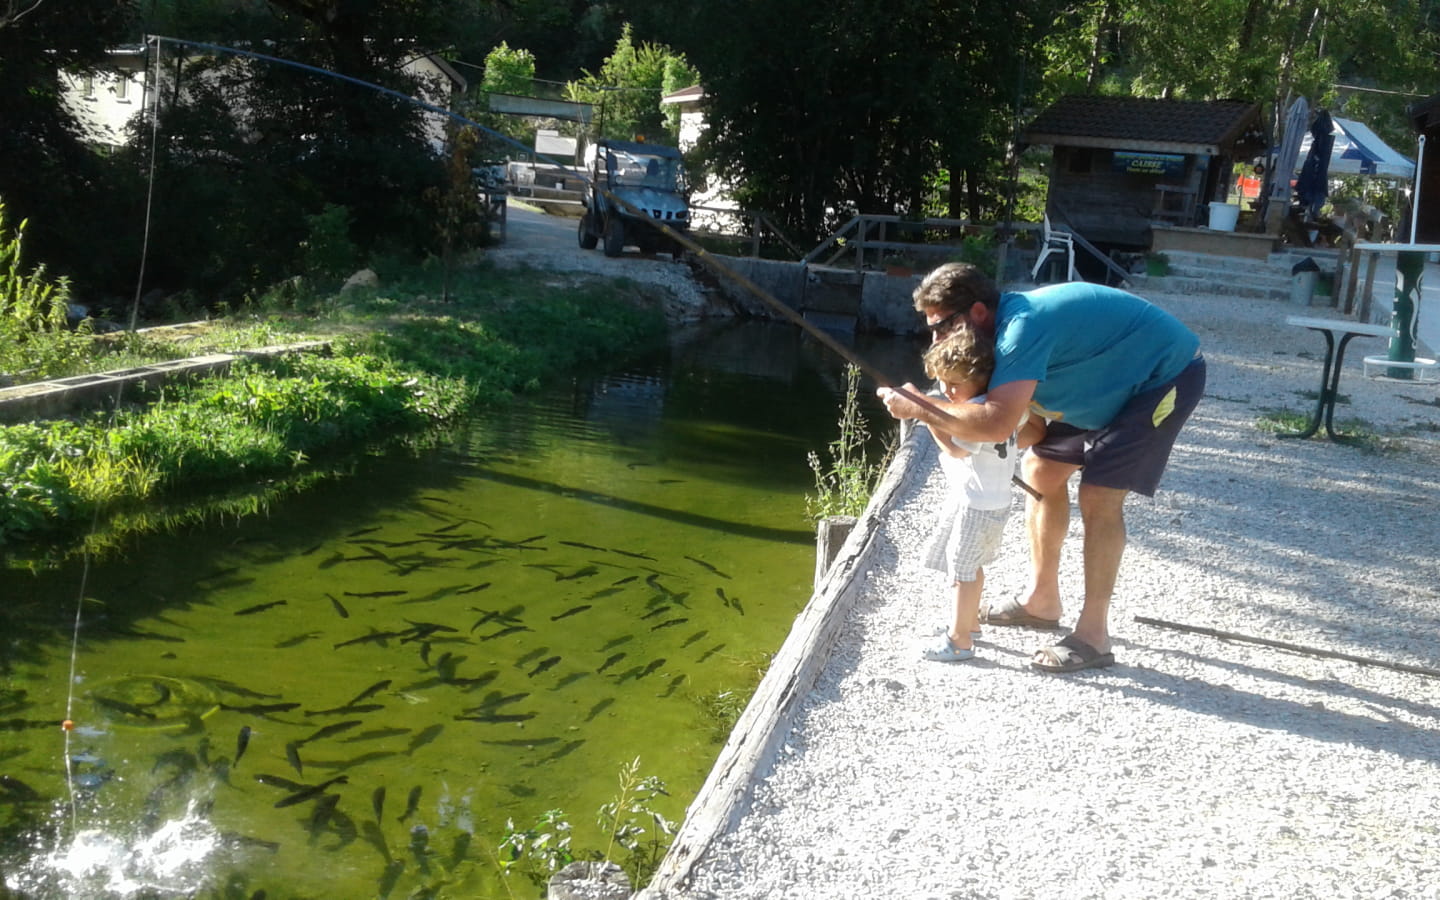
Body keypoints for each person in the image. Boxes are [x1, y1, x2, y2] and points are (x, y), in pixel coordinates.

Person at [877, 263, 1205, 673]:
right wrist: (945, 415)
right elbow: (1022, 434)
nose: (937, 338)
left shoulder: (1022, 330)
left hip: (1162, 376)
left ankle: (1094, 637)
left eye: (942, 326)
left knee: (1099, 496)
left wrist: (922, 408)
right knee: (1042, 473)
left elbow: (996, 423)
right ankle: (1042, 600)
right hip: (1101, 379)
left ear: (977, 313)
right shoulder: (994, 336)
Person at [916, 328, 1044, 663]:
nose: (946, 391)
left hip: (976, 505)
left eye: (954, 384)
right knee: (973, 566)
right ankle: (969, 624)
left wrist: (926, 415)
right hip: (993, 503)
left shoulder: (976, 412)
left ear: (980, 377)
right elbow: (1030, 428)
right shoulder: (1004, 407)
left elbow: (957, 450)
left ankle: (959, 642)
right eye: (942, 383)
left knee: (961, 572)